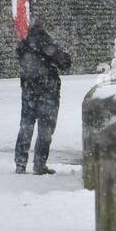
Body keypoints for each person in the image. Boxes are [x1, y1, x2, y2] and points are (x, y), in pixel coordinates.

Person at [14, 19, 72, 175]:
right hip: (48, 92)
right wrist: (62, 53)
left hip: (28, 91)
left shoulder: (23, 45)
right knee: (45, 130)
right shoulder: (48, 44)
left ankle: (20, 162)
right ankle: (39, 164)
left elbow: (19, 57)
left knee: (26, 127)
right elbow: (65, 63)